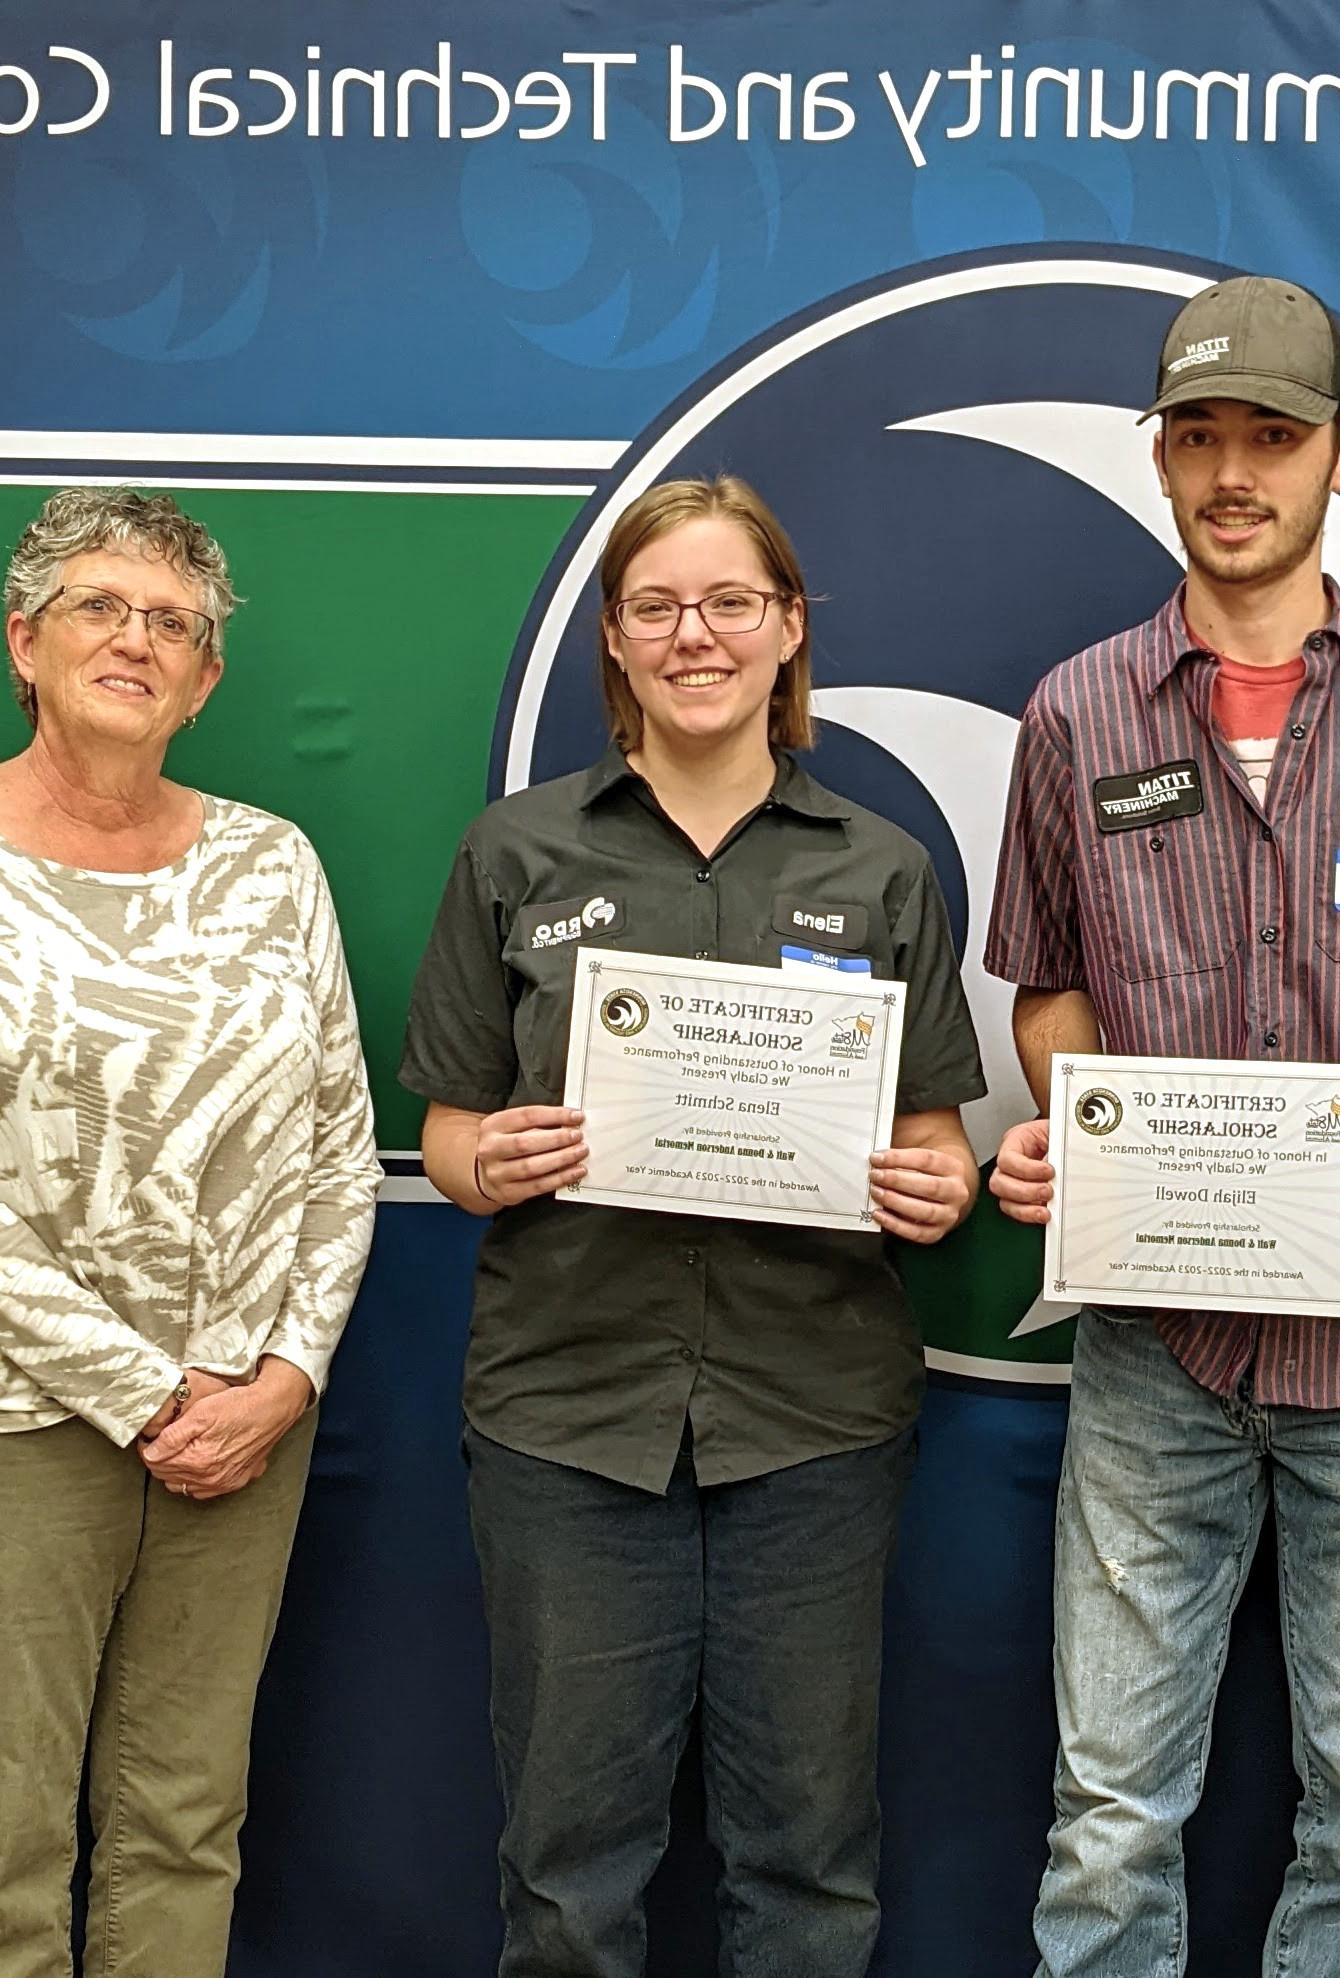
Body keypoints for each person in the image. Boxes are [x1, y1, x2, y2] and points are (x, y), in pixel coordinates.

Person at [986, 275, 1340, 1976]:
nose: (1235, 473)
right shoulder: (1075, 713)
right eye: (1203, 438)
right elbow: (1042, 982)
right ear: (1159, 459)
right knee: (1108, 1813)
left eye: (1274, 437)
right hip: (1156, 1354)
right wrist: (1072, 1119)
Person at [398, 475, 986, 1978]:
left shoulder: (882, 867)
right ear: (613, 640)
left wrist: (939, 1186)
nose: (695, 634)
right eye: (657, 607)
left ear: (789, 631)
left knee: (806, 1867)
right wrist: (495, 1159)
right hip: (568, 1419)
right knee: (570, 1873)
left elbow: (934, 1148)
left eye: (731, 602)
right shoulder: (516, 852)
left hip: (814, 1424)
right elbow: (447, 1129)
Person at [0, 486, 381, 1978]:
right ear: (25, 640)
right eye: (100, 606)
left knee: (185, 1826)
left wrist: (285, 1373)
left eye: (174, 622)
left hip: (240, 1435)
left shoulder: (277, 863)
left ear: (207, 679)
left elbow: (341, 1145)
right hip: (7, 1424)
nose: (135, 639)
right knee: (6, 1849)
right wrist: (146, 1392)